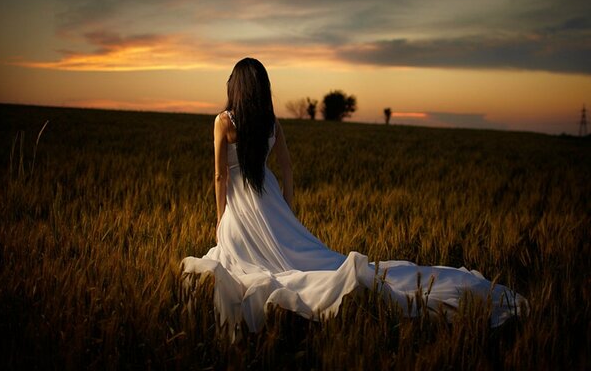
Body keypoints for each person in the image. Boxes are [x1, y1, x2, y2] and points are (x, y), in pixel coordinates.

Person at [181, 58, 526, 338]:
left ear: (235, 87)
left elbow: (220, 175)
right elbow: (287, 168)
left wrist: (221, 217)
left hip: (241, 207)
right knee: (305, 261)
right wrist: (285, 207)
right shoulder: (271, 122)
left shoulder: (222, 121)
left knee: (250, 265)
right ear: (263, 88)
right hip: (270, 199)